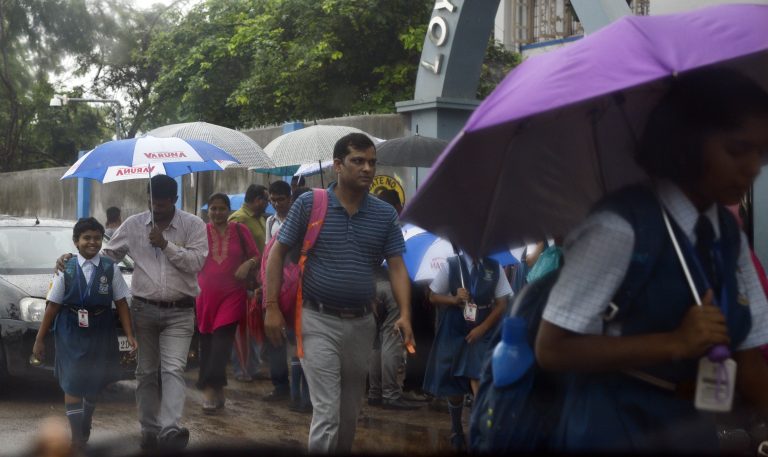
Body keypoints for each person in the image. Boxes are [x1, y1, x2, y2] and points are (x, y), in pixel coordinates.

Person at [535, 68, 768, 453]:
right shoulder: (618, 228)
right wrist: (674, 343)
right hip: (612, 431)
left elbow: (751, 359)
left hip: (693, 432)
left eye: (759, 152)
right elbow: (552, 348)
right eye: (736, 150)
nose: (752, 168)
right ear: (690, 144)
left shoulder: (729, 237)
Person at [264, 132, 414, 453]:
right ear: (337, 165)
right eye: (357, 161)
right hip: (317, 321)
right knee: (328, 413)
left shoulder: (385, 215)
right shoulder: (309, 204)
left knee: (349, 416)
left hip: (362, 325)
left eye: (372, 162)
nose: (367, 169)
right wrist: (271, 306)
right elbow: (277, 253)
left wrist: (405, 314)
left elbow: (398, 267)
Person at [57, 175, 207, 450]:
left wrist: (165, 244)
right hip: (144, 309)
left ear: (174, 200)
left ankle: (170, 430)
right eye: (152, 203)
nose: (156, 209)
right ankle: (149, 429)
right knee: (146, 372)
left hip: (181, 311)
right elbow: (108, 255)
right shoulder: (135, 224)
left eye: (162, 204)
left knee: (173, 369)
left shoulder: (194, 225)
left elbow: (197, 263)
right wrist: (73, 260)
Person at [35, 217, 136, 449]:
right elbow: (52, 306)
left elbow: (121, 303)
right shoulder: (65, 268)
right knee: (72, 382)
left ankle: (85, 420)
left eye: (97, 238)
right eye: (86, 238)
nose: (92, 242)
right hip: (70, 330)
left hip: (101, 330)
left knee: (94, 382)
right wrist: (40, 338)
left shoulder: (110, 268)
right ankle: (77, 437)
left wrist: (130, 335)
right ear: (76, 241)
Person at [424, 251, 511, 451]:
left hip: (483, 329)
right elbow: (432, 296)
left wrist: (483, 328)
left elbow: (502, 304)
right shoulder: (451, 264)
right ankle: (456, 429)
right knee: (454, 387)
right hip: (455, 328)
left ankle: (481, 433)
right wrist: (453, 299)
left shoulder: (494, 266)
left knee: (479, 378)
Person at [196, 193, 260, 413]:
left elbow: (256, 255)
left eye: (221, 208)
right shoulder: (199, 232)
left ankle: (209, 389)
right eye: (213, 209)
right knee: (207, 344)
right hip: (204, 296)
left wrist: (248, 264)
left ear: (229, 210)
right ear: (208, 210)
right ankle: (219, 387)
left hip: (233, 295)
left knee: (222, 343)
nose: (217, 213)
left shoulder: (240, 230)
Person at [367, 189, 419, 411]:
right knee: (391, 337)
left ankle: (375, 392)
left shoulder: (366, 222)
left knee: (376, 341)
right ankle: (391, 393)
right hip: (389, 284)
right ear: (396, 207)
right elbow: (398, 262)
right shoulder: (392, 225)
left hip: (369, 286)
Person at [228, 184, 269, 382]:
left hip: (259, 281)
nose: (268, 204)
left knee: (254, 327)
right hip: (244, 283)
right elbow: (233, 254)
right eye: (266, 199)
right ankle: (241, 369)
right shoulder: (238, 219)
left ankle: (252, 367)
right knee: (242, 329)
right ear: (257, 200)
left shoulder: (261, 219)